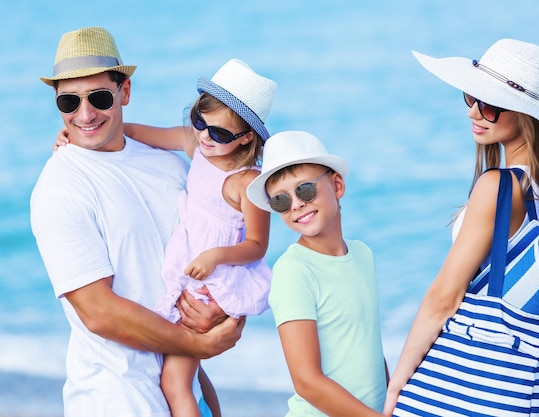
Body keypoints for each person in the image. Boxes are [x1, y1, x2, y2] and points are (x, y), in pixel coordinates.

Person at [383, 39, 539, 416]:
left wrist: (400, 378)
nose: (474, 113)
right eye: (471, 97)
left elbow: (444, 298)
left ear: (526, 115)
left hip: (508, 363)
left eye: (491, 105)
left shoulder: (499, 186)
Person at [31, 27, 244, 417]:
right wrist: (198, 344)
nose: (85, 113)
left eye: (98, 97)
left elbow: (222, 234)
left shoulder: (168, 163)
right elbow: (98, 311)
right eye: (68, 101)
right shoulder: (60, 187)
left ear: (124, 92)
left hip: (187, 386)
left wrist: (227, 313)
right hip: (116, 398)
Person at [121, 58, 276, 417]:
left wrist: (216, 257)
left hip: (209, 284)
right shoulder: (196, 145)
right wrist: (82, 134)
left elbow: (257, 246)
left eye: (219, 133)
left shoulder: (247, 182)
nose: (205, 136)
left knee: (176, 382)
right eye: (199, 121)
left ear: (246, 137)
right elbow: (138, 132)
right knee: (184, 378)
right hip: (185, 270)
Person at [246, 131, 388, 416]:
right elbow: (307, 382)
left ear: (337, 185)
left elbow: (368, 345)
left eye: (305, 190)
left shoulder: (362, 255)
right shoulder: (294, 271)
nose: (296, 204)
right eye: (281, 201)